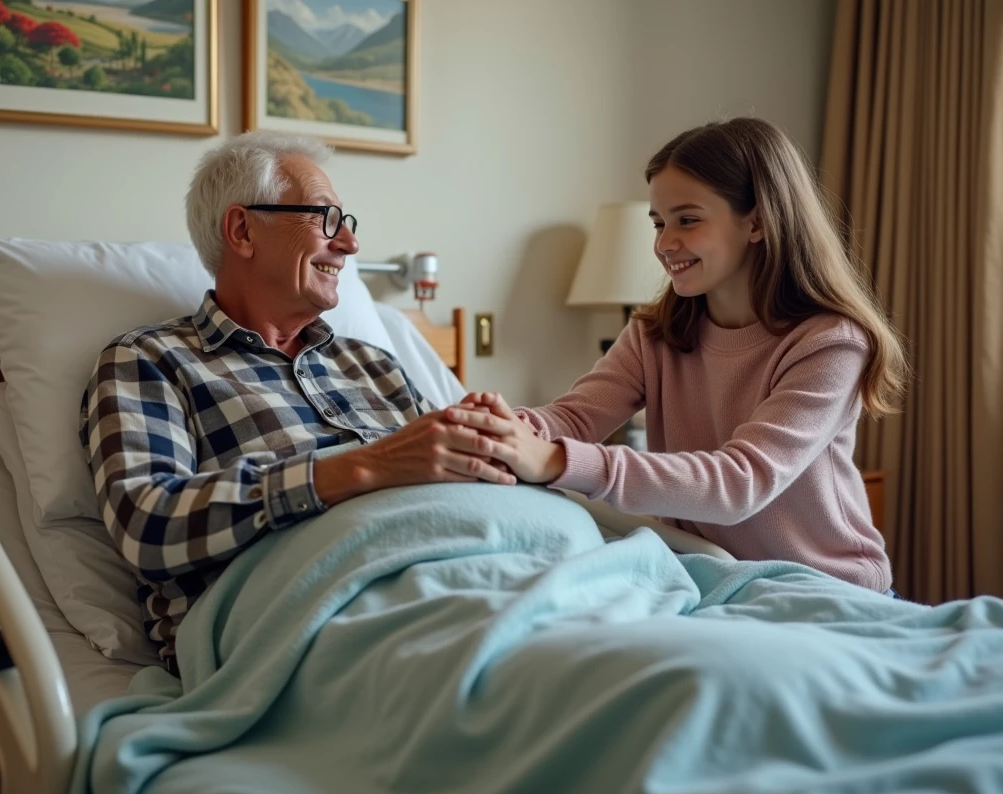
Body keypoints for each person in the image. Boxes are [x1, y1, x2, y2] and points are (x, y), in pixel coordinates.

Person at [80, 131, 513, 672]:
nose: (350, 244)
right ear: (242, 230)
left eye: (346, 222)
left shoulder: (373, 364)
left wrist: (499, 445)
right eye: (325, 218)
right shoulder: (150, 360)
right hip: (302, 627)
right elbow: (147, 523)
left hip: (467, 577)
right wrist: (360, 468)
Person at [449, 117, 909, 595]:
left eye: (687, 220)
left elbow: (740, 483)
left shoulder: (830, 343)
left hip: (826, 588)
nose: (664, 243)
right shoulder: (655, 333)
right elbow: (575, 417)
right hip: (711, 577)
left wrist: (554, 460)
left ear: (756, 222)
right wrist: (506, 430)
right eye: (658, 223)